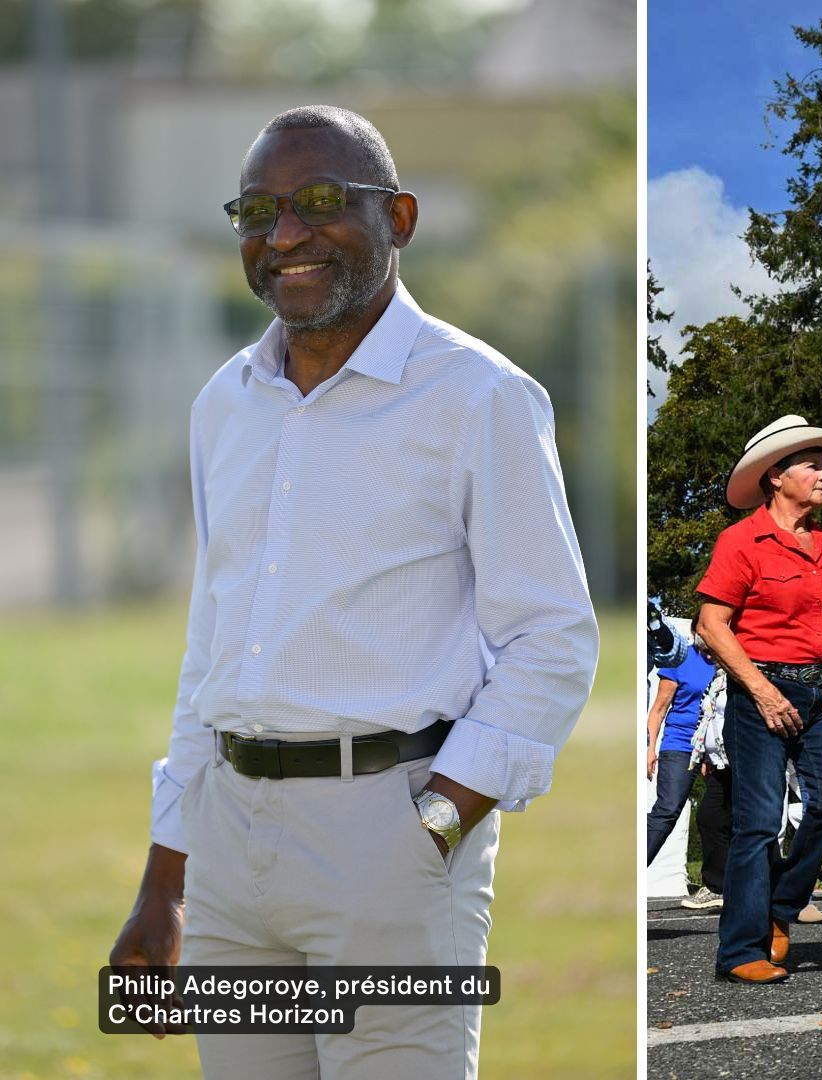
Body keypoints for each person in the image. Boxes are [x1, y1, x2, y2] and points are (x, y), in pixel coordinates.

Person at [106, 106, 599, 1076]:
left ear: (400, 218)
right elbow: (213, 648)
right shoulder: (225, 403)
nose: (284, 233)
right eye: (257, 209)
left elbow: (551, 638)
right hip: (228, 852)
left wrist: (439, 820)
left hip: (390, 835)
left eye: (320, 202)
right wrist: (166, 878)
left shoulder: (478, 395)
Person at [695, 414, 822, 985]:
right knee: (758, 822)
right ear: (776, 476)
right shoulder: (741, 541)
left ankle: (781, 904)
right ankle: (740, 951)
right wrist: (763, 690)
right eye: (813, 467)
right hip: (761, 689)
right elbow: (711, 625)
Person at [649, 635, 719, 865]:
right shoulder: (681, 658)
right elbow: (659, 709)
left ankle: (718, 884)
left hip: (717, 748)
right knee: (667, 810)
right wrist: (649, 748)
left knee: (720, 814)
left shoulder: (728, 662)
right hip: (680, 744)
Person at [684, 674, 733, 910]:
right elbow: (710, 717)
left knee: (747, 823)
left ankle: (724, 886)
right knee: (709, 817)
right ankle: (718, 886)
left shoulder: (743, 674)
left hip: (742, 759)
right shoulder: (717, 679)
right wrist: (706, 753)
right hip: (720, 762)